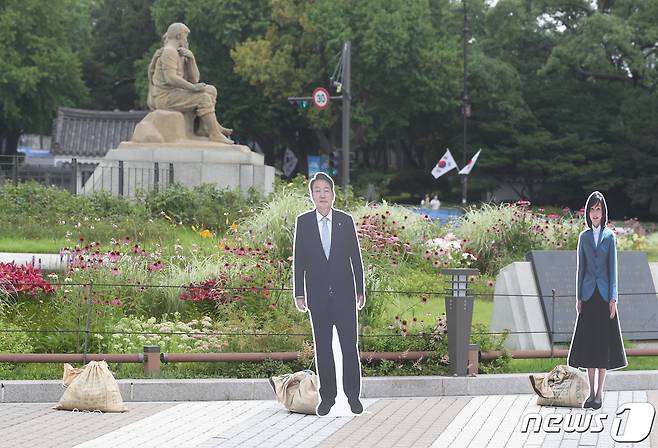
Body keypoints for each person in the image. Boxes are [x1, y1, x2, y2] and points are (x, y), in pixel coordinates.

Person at [293, 172, 365, 416]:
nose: (322, 194)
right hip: (317, 296)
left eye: (326, 190)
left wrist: (360, 290)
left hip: (345, 295)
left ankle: (353, 396)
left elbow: (356, 258)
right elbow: (299, 260)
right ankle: (328, 397)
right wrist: (299, 293)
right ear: (312, 195)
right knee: (322, 347)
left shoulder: (346, 220)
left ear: (333, 195)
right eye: (317, 190)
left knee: (349, 347)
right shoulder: (303, 222)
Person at [567, 191, 627, 410]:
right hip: (587, 296)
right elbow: (580, 269)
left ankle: (599, 394)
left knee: (602, 345)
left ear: (603, 213)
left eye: (598, 209)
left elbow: (613, 269)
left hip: (604, 297)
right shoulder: (583, 237)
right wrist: (578, 298)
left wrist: (614, 298)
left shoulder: (610, 237)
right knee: (589, 345)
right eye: (592, 209)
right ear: (587, 212)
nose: (595, 213)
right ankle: (590, 393)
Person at [147, 23, 233, 143]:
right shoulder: (169, 52)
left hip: (176, 93)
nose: (186, 39)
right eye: (185, 36)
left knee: (211, 90)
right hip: (165, 97)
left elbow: (194, 79)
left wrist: (190, 59)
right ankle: (214, 134)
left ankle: (205, 128)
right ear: (178, 36)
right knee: (203, 98)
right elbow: (170, 78)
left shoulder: (179, 52)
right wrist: (193, 88)